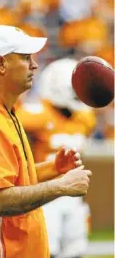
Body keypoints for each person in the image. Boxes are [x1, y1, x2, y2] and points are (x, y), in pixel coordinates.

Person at [0, 25, 92, 258]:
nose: (34, 65)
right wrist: (62, 186)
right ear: (1, 64)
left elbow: (10, 178)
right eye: (25, 58)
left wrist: (53, 169)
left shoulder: (2, 112)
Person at [15, 58, 96, 258]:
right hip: (46, 195)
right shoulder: (36, 115)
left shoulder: (85, 118)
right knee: (47, 251)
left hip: (74, 196)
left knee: (76, 250)